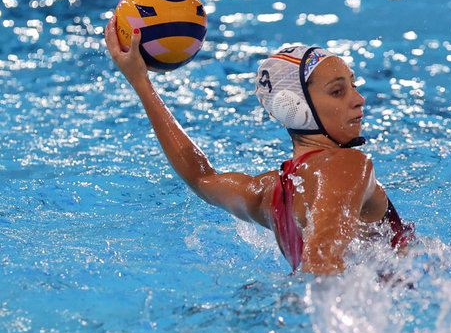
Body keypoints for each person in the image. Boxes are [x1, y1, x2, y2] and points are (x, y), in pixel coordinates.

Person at [105, 25, 410, 274]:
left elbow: (201, 178)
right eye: (338, 91)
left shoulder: (267, 193)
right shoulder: (347, 164)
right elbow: (321, 263)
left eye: (353, 85)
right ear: (295, 109)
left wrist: (141, 82)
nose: (359, 99)